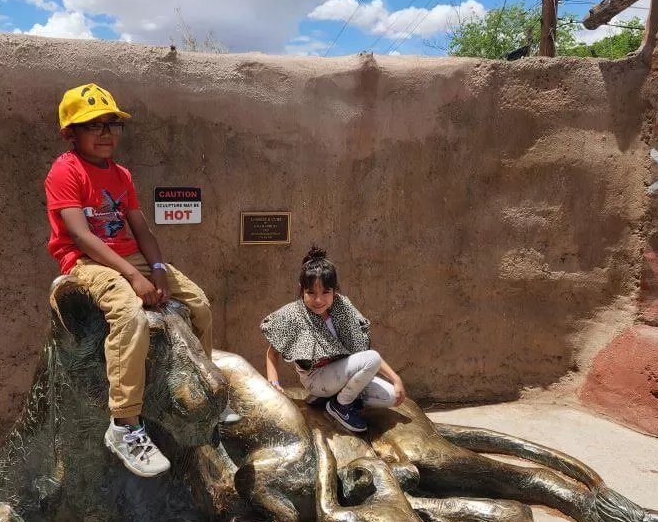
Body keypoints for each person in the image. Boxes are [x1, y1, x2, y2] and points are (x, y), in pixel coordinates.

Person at [45, 82, 220, 477]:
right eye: (94, 125)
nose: (106, 133)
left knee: (199, 304)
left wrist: (157, 269)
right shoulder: (65, 171)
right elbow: (80, 234)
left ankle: (205, 396)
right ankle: (125, 423)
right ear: (71, 132)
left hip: (132, 257)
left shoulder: (121, 174)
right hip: (87, 261)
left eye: (112, 124)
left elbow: (140, 227)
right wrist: (131, 277)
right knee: (129, 315)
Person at [260, 245, 406, 434]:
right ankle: (341, 406)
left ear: (334, 290)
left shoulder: (342, 308)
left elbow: (363, 354)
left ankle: (333, 398)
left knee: (391, 397)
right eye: (311, 293)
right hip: (317, 379)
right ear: (301, 289)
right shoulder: (292, 314)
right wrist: (274, 385)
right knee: (373, 358)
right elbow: (272, 353)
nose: (318, 300)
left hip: (342, 374)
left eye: (325, 292)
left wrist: (396, 378)